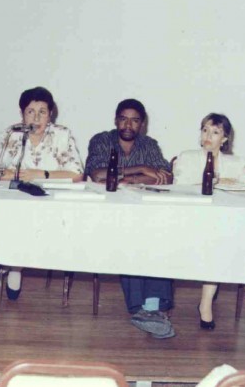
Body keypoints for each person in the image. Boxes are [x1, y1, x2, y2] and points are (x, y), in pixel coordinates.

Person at [85, 98, 175, 339]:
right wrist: (142, 169)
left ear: (142, 124)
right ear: (116, 120)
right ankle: (145, 309)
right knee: (131, 236)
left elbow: (166, 177)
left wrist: (127, 179)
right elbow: (97, 174)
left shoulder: (149, 144)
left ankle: (152, 308)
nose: (128, 125)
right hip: (106, 213)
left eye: (134, 120)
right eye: (123, 119)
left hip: (142, 212)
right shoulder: (102, 140)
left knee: (156, 235)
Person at [173, 112, 245, 330]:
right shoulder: (187, 157)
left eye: (215, 132)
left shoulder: (235, 162)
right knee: (219, 240)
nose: (208, 135)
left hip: (221, 223)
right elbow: (181, 186)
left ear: (224, 139)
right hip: (193, 220)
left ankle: (208, 302)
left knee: (238, 232)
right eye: (205, 130)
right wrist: (217, 181)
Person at [0, 86, 84, 300]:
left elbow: (77, 174)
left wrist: (41, 174)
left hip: (50, 201)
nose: (36, 117)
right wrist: (16, 175)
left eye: (42, 112)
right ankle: (15, 267)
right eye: (30, 111)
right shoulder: (11, 133)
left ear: (50, 114)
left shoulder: (62, 134)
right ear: (22, 114)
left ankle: (16, 265)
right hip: (17, 198)